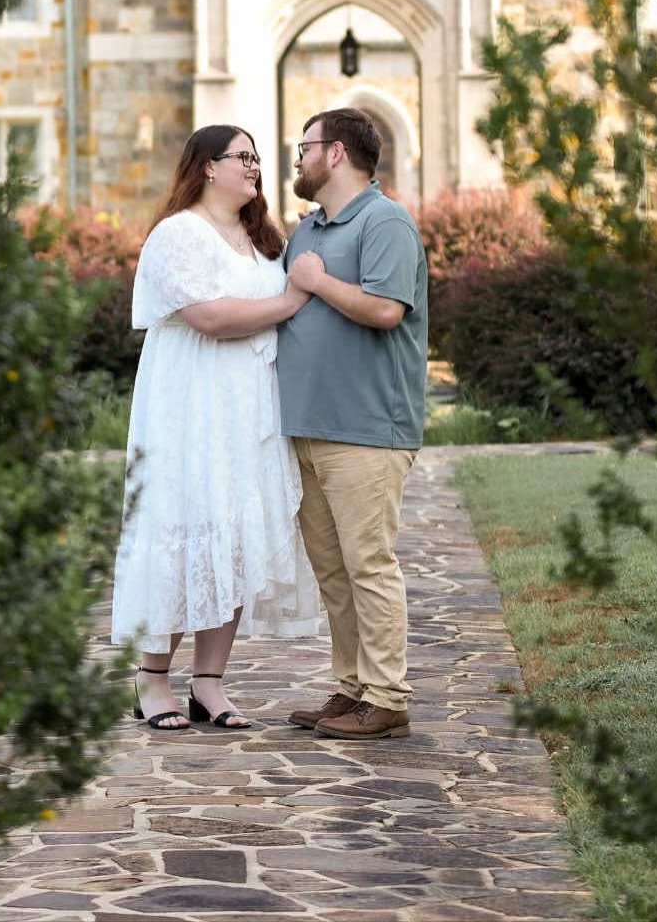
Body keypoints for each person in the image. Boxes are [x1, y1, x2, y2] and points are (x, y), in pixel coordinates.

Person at [111, 125, 319, 732]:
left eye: (257, 158)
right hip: (189, 404)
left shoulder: (265, 242)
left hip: (247, 406)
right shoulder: (178, 235)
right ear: (206, 166)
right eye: (243, 157)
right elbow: (209, 317)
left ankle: (209, 681)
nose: (254, 167)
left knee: (232, 534)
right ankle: (152, 679)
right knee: (181, 525)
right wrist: (292, 301)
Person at [276, 107, 429, 741]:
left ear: (335, 153)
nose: (297, 159)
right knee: (332, 569)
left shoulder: (385, 221)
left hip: (366, 427)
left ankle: (388, 695)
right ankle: (352, 688)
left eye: (304, 147)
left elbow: (387, 311)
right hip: (307, 428)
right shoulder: (306, 229)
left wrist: (318, 281)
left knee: (368, 563)